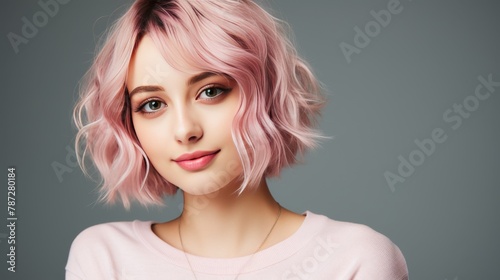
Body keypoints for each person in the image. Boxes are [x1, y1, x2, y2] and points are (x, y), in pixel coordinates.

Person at [66, 0, 409, 279]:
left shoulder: (356, 259)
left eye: (211, 91)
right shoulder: (103, 258)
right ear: (130, 123)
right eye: (152, 104)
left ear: (263, 91)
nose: (185, 130)